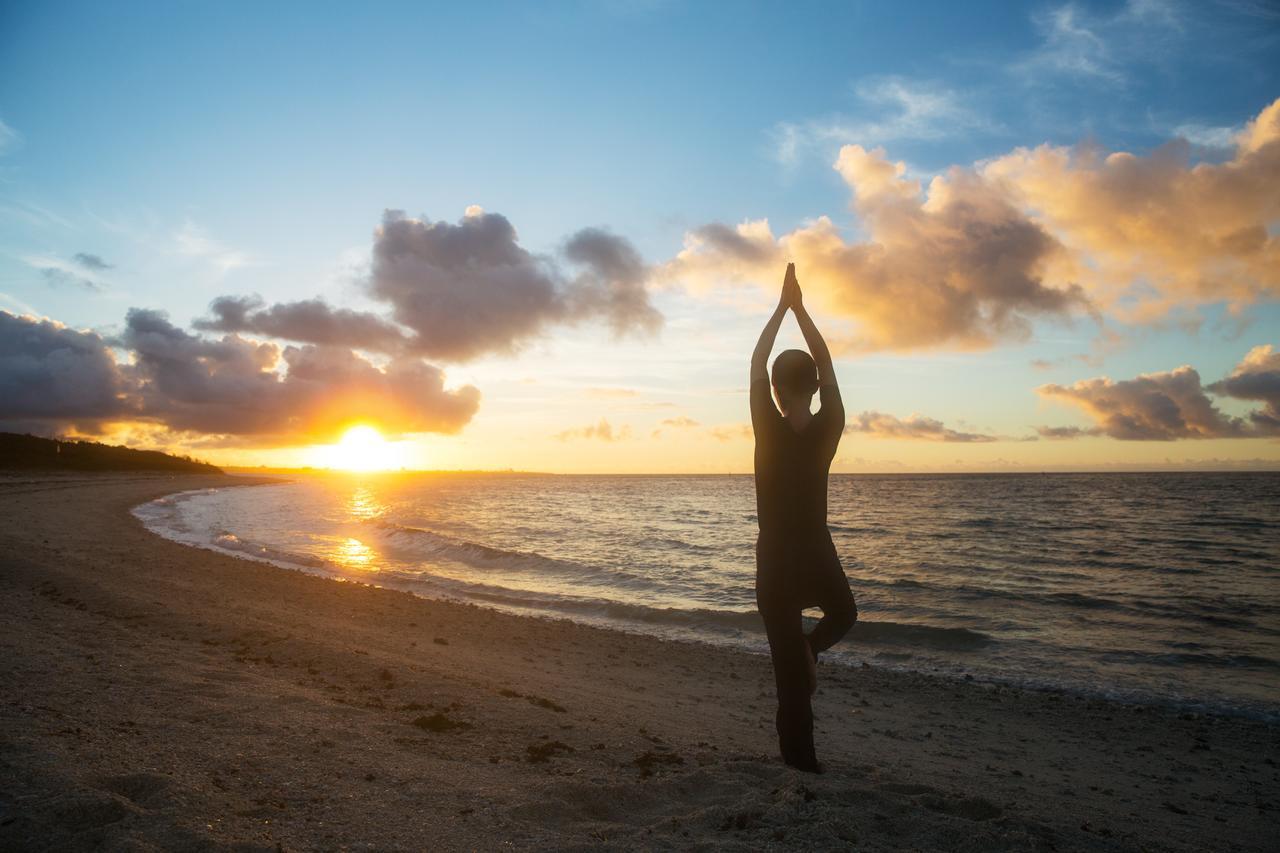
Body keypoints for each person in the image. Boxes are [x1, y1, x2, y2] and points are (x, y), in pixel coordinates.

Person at [750, 262, 857, 773]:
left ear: (776, 390)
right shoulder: (828, 426)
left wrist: (783, 309)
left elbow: (756, 362)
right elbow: (827, 363)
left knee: (795, 672)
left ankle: (807, 656)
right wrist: (800, 309)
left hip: (781, 556)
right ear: (814, 388)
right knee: (841, 617)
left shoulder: (768, 426)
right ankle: (802, 764)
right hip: (809, 550)